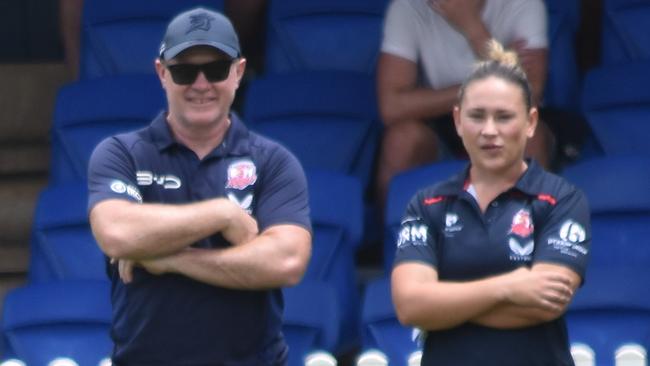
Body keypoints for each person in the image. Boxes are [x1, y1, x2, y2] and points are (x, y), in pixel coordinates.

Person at [87, 7, 311, 365]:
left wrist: (170, 257)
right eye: (184, 71)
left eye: (217, 69)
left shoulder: (274, 161)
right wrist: (222, 214)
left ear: (238, 72)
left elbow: (286, 261)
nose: (201, 84)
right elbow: (115, 232)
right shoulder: (121, 153)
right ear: (162, 73)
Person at [391, 40, 591, 365]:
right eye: (477, 116)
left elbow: (546, 302)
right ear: (457, 121)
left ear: (530, 122)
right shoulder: (428, 203)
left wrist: (445, 304)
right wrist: (510, 286)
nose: (489, 130)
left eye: (504, 117)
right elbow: (410, 306)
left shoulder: (562, 199)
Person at [376, 0, 553, 208]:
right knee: (401, 141)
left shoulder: (522, 4)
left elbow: (530, 94)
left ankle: (525, 234)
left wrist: (472, 27)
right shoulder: (408, 8)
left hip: (504, 119)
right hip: (441, 122)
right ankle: (389, 236)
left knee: (528, 137)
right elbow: (391, 106)